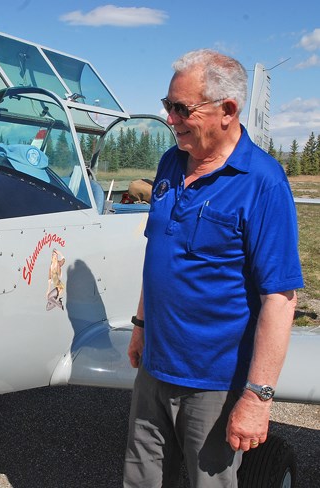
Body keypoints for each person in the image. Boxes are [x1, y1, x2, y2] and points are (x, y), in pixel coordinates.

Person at [123, 49, 304, 487]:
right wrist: (141, 324)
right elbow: (158, 254)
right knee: (141, 478)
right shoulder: (170, 162)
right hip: (154, 368)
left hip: (215, 383)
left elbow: (280, 298)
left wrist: (258, 399)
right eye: (167, 106)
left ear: (227, 111)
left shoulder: (263, 181)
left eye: (182, 109)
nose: (171, 119)